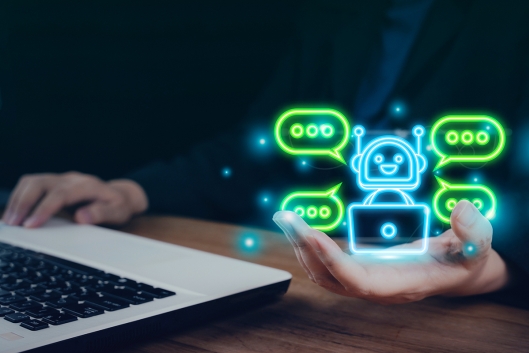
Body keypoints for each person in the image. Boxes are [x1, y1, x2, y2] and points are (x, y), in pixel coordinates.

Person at [3, 0, 529, 305]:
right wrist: (129, 190)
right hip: (313, 288)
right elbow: (252, 149)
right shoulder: (341, 17)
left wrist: (490, 270)